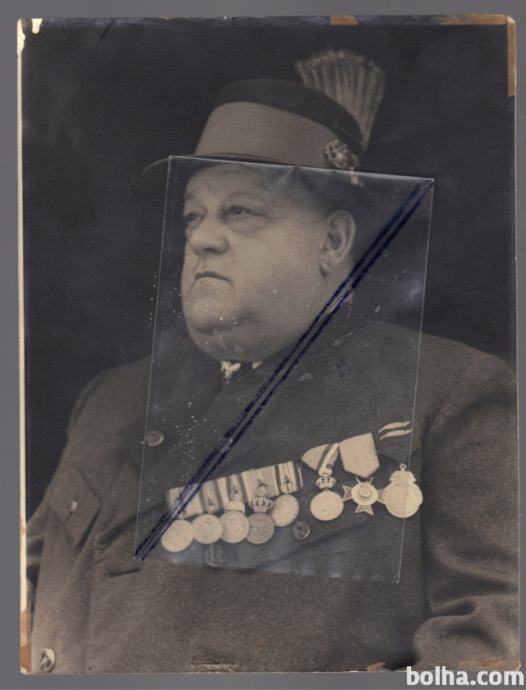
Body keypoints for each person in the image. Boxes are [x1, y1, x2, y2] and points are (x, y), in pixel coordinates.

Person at [26, 50, 518, 674]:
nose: (203, 238)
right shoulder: (110, 400)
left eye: (241, 211)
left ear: (333, 242)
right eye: (194, 216)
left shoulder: (447, 394)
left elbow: (496, 642)